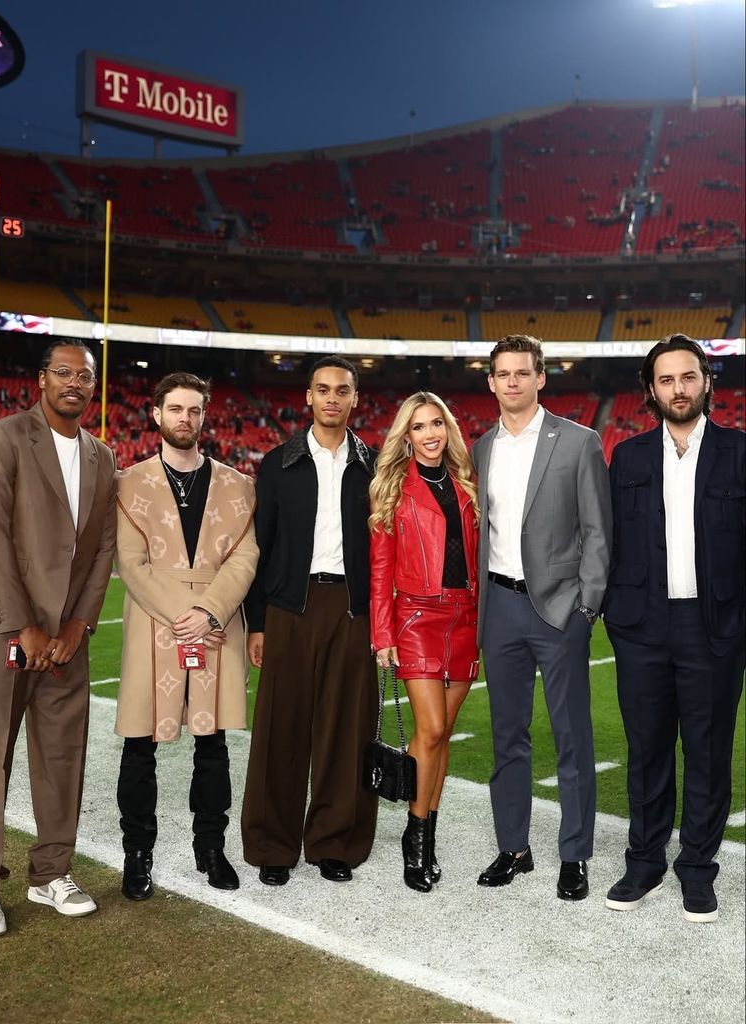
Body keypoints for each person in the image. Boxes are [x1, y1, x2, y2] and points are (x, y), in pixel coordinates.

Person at [603, 335, 745, 923]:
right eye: (666, 380)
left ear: (706, 383)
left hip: (714, 625)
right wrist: (616, 613)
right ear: (651, 390)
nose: (678, 389)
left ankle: (697, 870)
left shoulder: (739, 451)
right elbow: (609, 543)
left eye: (688, 377)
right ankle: (645, 861)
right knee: (647, 749)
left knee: (708, 752)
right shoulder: (630, 457)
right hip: (642, 626)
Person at [0, 340, 117, 938]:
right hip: (4, 627)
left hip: (66, 639)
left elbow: (103, 548)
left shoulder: (103, 456)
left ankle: (50, 873)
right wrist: (24, 623)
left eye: (84, 376)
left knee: (62, 756)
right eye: (63, 372)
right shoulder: (6, 437)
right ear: (41, 380)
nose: (74, 383)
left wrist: (79, 624)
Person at [472, 335, 611, 901]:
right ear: (491, 382)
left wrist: (586, 606)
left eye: (522, 373)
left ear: (540, 377)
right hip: (500, 606)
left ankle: (574, 855)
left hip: (559, 608)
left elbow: (599, 532)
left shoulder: (579, 441)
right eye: (502, 374)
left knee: (571, 735)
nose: (512, 382)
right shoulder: (480, 448)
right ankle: (514, 848)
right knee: (508, 735)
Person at [114, 372, 258, 900]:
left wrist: (210, 611)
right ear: (156, 414)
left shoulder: (238, 484)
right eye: (176, 409)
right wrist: (186, 614)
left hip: (215, 624)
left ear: (205, 415)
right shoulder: (128, 483)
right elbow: (130, 563)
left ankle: (211, 848)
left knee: (212, 744)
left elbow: (246, 556)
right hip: (155, 621)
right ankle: (138, 854)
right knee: (139, 746)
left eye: (194, 410)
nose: (185, 419)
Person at [241, 356, 378, 885]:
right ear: (308, 397)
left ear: (354, 399)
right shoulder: (278, 463)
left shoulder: (374, 465)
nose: (332, 399)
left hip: (352, 608)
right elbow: (260, 547)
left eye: (342, 390)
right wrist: (257, 622)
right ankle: (273, 844)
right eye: (323, 389)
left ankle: (333, 841)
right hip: (289, 609)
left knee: (347, 731)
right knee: (282, 729)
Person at [369, 393, 479, 892]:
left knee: (442, 734)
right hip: (416, 617)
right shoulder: (393, 489)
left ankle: (426, 834)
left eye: (438, 423)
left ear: (448, 430)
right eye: (419, 427)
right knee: (430, 729)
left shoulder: (467, 485)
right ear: (406, 436)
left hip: (466, 618)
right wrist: (383, 631)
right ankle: (414, 839)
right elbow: (380, 570)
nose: (431, 434)